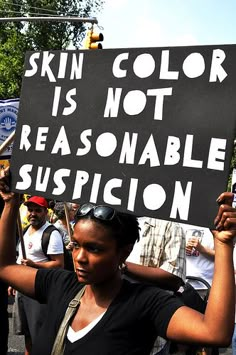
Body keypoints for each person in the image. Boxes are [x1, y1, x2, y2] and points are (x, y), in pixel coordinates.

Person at [0, 170, 235, 355]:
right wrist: (10, 205)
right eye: (78, 245)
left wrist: (223, 245)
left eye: (95, 249)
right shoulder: (60, 284)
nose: (80, 257)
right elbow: (6, 268)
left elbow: (215, 333)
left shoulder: (145, 303)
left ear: (124, 252)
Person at [125, 217, 186, 355]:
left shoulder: (169, 225)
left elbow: (174, 279)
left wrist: (122, 265)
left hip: (146, 331)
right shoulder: (111, 217)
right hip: (109, 326)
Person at [13, 194, 65, 355]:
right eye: (30, 210)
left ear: (46, 212)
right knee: (26, 333)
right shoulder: (26, 230)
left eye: (37, 210)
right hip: (21, 289)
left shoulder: (51, 233)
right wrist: (12, 282)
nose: (32, 213)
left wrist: (35, 265)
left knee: (39, 335)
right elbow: (18, 258)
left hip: (39, 291)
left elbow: (59, 264)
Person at [183, 225, 215, 298]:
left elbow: (225, 256)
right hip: (180, 282)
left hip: (204, 284)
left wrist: (201, 249)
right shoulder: (181, 223)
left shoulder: (214, 228)